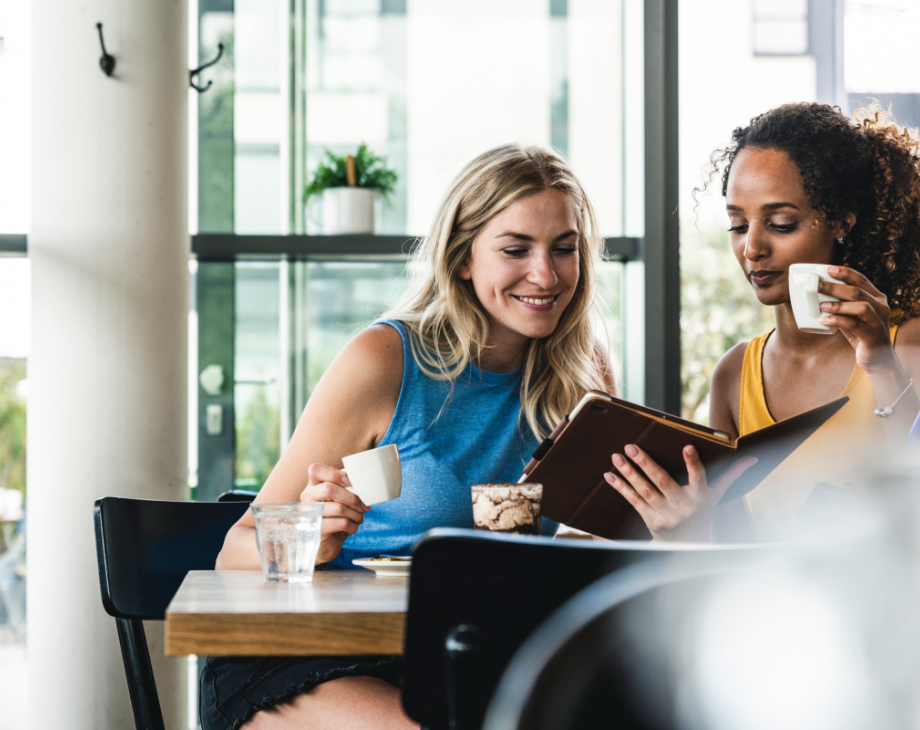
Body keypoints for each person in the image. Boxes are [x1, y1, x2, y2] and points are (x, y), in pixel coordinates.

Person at [201, 143, 621, 730]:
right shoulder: (385, 359)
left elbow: (598, 546)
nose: (546, 275)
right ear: (462, 258)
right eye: (515, 249)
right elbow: (234, 553)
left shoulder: (583, 376)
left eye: (564, 249)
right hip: (316, 660)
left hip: (470, 658)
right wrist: (310, 544)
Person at [609, 102, 920, 542]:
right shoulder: (735, 375)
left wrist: (881, 366)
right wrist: (681, 533)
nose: (752, 248)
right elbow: (728, 555)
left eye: (780, 223)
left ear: (841, 221)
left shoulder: (907, 345)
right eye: (738, 225)